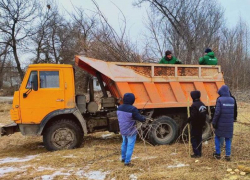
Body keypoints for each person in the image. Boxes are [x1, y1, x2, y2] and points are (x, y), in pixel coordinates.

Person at [117, 93, 146, 166]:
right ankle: (127, 162)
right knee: (130, 146)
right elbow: (140, 119)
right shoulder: (133, 109)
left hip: (123, 129)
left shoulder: (119, 107)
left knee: (124, 144)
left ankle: (123, 158)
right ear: (132, 100)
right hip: (130, 131)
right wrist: (143, 118)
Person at [212, 85, 235, 161]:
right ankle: (228, 155)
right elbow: (234, 112)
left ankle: (218, 153)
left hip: (220, 123)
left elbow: (217, 113)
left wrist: (214, 122)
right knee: (228, 138)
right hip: (229, 124)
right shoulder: (232, 100)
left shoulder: (220, 100)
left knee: (217, 137)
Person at [187, 91, 207, 158]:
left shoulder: (194, 105)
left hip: (195, 125)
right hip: (201, 125)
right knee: (199, 138)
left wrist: (189, 120)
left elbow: (193, 116)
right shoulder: (202, 104)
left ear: (193, 97)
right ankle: (199, 152)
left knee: (194, 139)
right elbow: (204, 115)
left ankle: (196, 154)